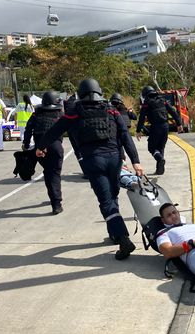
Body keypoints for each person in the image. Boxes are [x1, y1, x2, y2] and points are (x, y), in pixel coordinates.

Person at [36, 78, 144, 260]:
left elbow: (55, 130)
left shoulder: (75, 111)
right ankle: (115, 233)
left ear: (80, 93)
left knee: (106, 201)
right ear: (100, 92)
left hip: (94, 161)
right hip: (115, 160)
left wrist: (41, 146)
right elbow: (126, 136)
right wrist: (135, 161)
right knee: (113, 195)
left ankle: (123, 236)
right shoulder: (111, 109)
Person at [22, 91, 64, 215]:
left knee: (48, 173)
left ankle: (54, 200)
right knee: (55, 174)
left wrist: (25, 144)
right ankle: (56, 203)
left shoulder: (36, 114)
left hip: (40, 148)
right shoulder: (60, 114)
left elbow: (28, 129)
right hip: (55, 147)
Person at [135, 86, 183, 175]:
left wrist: (138, 131)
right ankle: (159, 169)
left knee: (152, 147)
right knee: (161, 147)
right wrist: (179, 124)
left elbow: (141, 118)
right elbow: (173, 111)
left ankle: (160, 159)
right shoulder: (163, 100)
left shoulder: (146, 103)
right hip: (165, 126)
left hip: (155, 127)